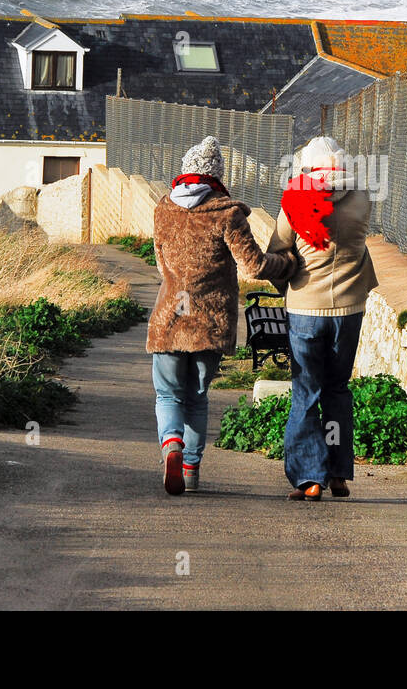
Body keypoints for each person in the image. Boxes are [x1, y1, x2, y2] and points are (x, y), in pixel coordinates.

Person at [147, 136, 295, 495]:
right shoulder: (227, 213)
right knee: (197, 398)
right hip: (208, 325)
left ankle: (171, 445)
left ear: (185, 172)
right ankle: (191, 471)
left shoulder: (162, 208)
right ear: (216, 176)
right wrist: (288, 264)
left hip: (169, 319)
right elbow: (255, 266)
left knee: (168, 396)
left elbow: (160, 264)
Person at [267, 136, 378, 501]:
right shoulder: (362, 198)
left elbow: (276, 252)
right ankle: (337, 474)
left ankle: (309, 478)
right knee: (336, 390)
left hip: (306, 309)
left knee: (306, 393)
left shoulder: (296, 203)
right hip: (349, 311)